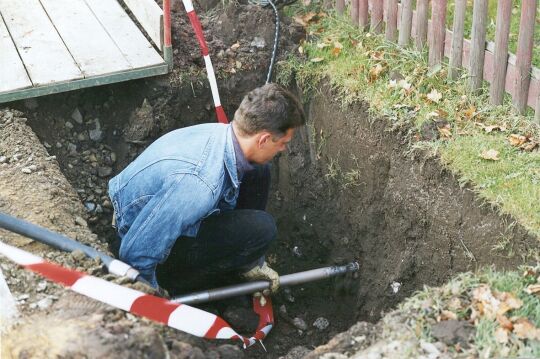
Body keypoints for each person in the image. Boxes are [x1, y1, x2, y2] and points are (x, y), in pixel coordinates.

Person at [108, 83, 305, 294]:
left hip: (151, 215)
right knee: (262, 230)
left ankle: (244, 266)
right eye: (283, 142)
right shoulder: (199, 184)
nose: (284, 149)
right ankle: (179, 282)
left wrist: (251, 263)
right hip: (135, 237)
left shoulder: (221, 135)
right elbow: (136, 253)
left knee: (258, 171)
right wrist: (152, 295)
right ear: (264, 139)